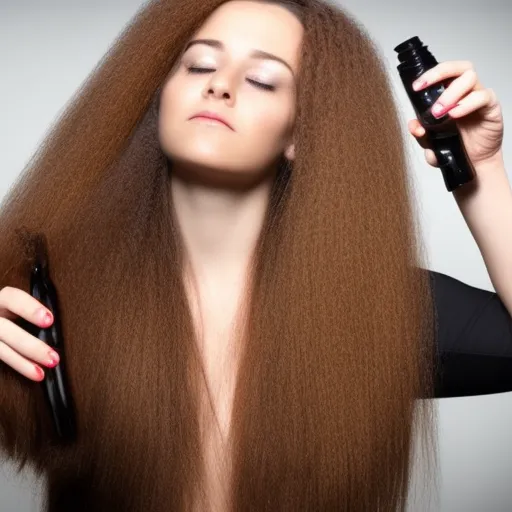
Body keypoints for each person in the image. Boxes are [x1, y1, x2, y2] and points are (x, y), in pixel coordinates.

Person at [0, 0, 510, 510]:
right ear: (158, 96)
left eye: (263, 79)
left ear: (300, 133)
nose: (219, 84)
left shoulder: (376, 311)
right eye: (199, 64)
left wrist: (480, 172)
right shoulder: (44, 299)